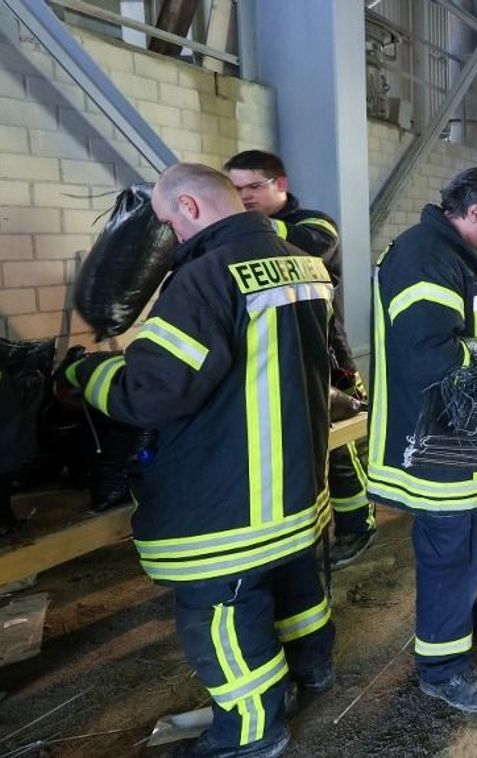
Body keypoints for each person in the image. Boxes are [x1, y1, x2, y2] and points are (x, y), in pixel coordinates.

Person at [60, 163, 334, 757]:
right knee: (295, 588)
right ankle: (312, 672)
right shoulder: (302, 263)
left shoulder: (206, 276)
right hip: (293, 486)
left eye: (166, 223)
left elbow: (152, 392)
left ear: (189, 208)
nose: (169, 239)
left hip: (229, 499)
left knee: (222, 619)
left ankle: (250, 734)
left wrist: (86, 371)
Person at [368, 166, 477, 714]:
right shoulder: (424, 257)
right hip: (436, 442)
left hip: (463, 435)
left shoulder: (455, 255)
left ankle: (465, 615)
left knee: (470, 542)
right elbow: (428, 353)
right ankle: (443, 667)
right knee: (448, 555)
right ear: (475, 211)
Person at [224, 150, 376, 568]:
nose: (244, 197)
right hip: (268, 358)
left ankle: (356, 526)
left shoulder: (314, 224)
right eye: (235, 189)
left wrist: (230, 223)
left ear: (280, 185)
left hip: (328, 356)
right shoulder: (237, 236)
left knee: (341, 445)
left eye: (253, 186)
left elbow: (306, 247)